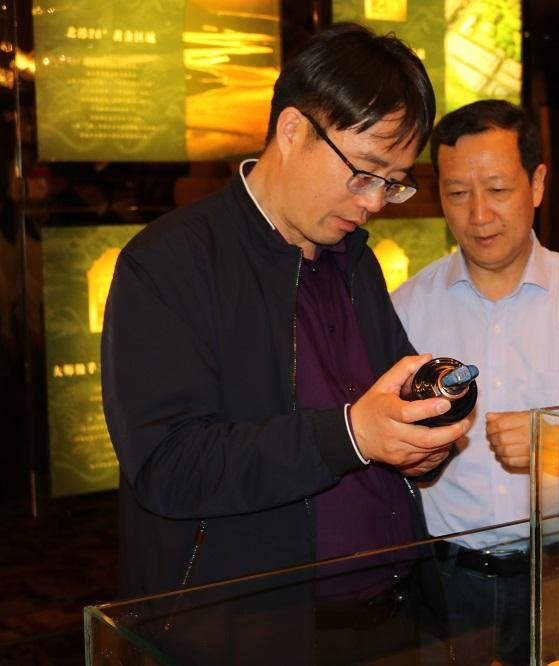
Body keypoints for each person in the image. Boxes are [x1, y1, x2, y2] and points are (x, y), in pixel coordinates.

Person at [101, 23, 469, 664]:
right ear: (294, 129)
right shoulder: (170, 263)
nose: (374, 202)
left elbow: (382, 407)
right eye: (365, 174)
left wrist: (419, 439)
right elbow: (168, 466)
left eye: (393, 182)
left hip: (391, 614)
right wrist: (351, 435)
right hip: (256, 634)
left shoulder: (354, 258)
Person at [391, 99, 559, 665]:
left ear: (537, 184)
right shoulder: (407, 308)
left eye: (497, 189)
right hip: (443, 578)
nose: (478, 214)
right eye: (457, 193)